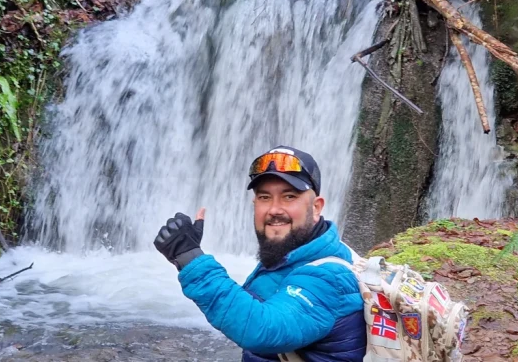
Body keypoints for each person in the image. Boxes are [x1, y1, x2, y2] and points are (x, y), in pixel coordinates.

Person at [153, 146, 365, 361]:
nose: (274, 209)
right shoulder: (291, 254)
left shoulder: (328, 276)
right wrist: (185, 257)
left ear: (317, 207)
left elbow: (264, 329)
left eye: (289, 196)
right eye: (264, 197)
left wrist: (191, 257)